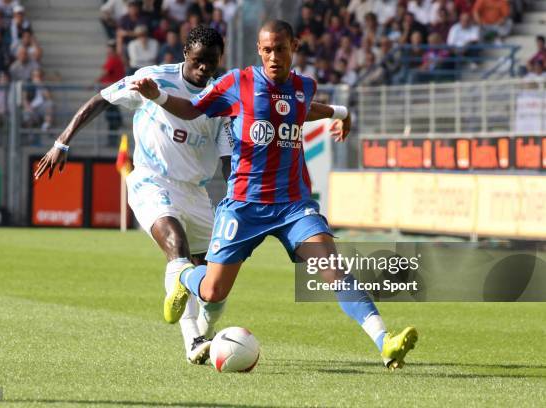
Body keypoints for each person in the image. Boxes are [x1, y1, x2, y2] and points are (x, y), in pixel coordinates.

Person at [34, 25, 340, 365]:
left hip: (194, 192)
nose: (204, 69)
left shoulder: (225, 94)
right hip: (151, 180)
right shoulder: (154, 79)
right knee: (175, 246)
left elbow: (229, 159)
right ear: (185, 56)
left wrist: (243, 207)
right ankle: (193, 339)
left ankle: (206, 330)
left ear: (220, 58)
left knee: (212, 284)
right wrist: (62, 142)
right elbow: (101, 100)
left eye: (211, 62)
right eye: (198, 62)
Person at [133, 20, 418, 370]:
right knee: (211, 292)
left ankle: (385, 341)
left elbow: (304, 107)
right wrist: (157, 96)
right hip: (243, 206)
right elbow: (194, 108)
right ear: (259, 50)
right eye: (267, 50)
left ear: (294, 47)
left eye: (280, 49)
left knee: (331, 266)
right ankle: (182, 277)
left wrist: (340, 113)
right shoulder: (238, 82)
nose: (273, 56)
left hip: (293, 205)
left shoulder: (303, 86)